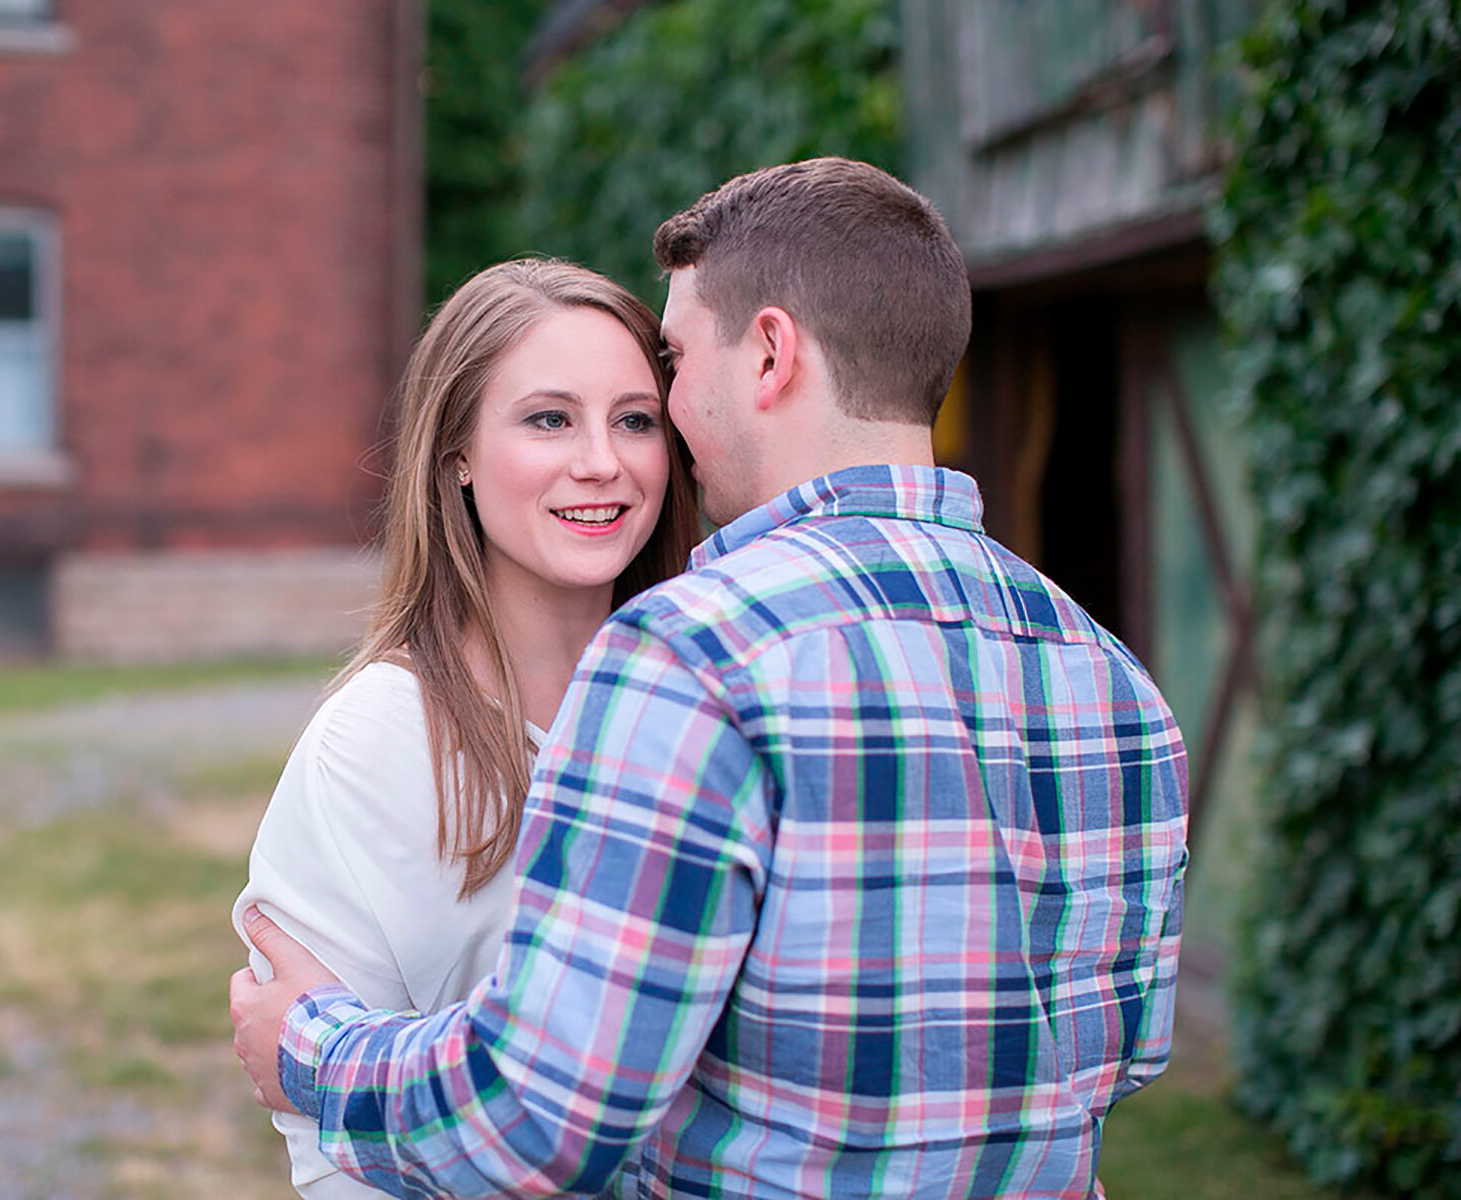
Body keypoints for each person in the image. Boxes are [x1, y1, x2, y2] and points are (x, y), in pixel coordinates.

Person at [232, 158, 1190, 1199]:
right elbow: (1125, 1055)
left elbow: (542, 1118)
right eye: (550, 418)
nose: (649, 435)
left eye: (666, 375)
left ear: (770, 353)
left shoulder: (695, 658)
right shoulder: (1114, 681)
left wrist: (311, 1046)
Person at [229, 258, 700, 1198]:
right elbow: (323, 1135)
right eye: (548, 419)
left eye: (635, 419)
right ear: (457, 456)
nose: (601, 459)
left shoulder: (701, 706)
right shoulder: (376, 741)